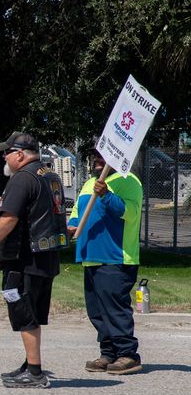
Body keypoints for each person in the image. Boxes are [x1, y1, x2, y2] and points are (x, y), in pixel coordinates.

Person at [0, 132, 68, 389]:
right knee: (33, 312)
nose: (4, 158)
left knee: (23, 311)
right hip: (46, 256)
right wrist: (4, 203)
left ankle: (35, 373)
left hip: (25, 257)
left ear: (20, 154)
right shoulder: (48, 175)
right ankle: (30, 364)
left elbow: (10, 219)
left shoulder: (22, 178)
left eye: (6, 153)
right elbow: (34, 207)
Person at [68, 149, 143, 375]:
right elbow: (77, 210)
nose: (97, 161)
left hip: (116, 257)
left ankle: (127, 354)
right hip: (90, 256)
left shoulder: (128, 180)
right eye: (95, 157)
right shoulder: (89, 183)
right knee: (97, 311)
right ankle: (108, 353)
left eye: (102, 156)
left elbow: (130, 212)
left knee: (114, 309)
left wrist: (106, 195)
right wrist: (72, 223)